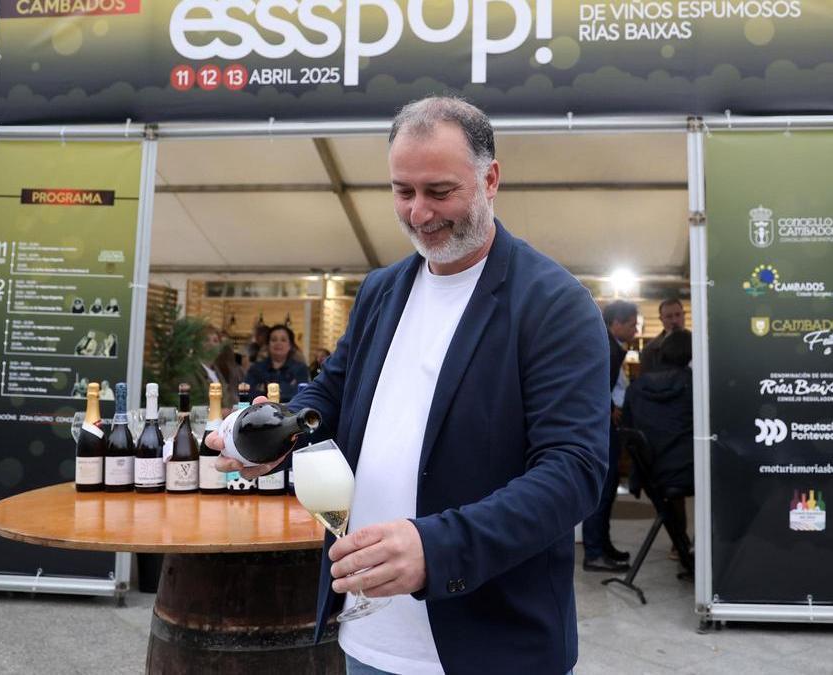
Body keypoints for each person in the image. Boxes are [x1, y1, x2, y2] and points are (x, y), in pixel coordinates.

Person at [209, 96, 609, 675]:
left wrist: (437, 547)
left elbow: (574, 472)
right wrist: (277, 436)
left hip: (493, 646)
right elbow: (331, 398)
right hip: (368, 638)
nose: (419, 213)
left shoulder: (553, 303)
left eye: (439, 192)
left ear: (490, 178)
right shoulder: (381, 290)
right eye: (403, 191)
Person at [622, 330, 694, 570]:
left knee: (674, 484)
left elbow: (627, 429)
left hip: (651, 472)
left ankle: (682, 546)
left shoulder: (636, 388)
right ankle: (708, 550)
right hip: (689, 470)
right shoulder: (694, 384)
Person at [582, 300, 639, 573]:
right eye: (632, 324)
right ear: (616, 323)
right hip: (600, 430)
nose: (635, 330)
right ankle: (594, 552)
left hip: (605, 425)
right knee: (602, 490)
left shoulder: (612, 344)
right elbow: (593, 384)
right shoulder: (608, 347)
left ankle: (603, 545)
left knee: (608, 488)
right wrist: (608, 409)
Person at [243, 323, 309, 401]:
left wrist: (265, 390)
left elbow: (301, 396)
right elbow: (247, 395)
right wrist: (286, 389)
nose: (278, 343)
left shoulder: (300, 369)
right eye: (274, 340)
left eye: (283, 340)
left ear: (290, 345)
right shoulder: (256, 369)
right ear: (268, 345)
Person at [639, 298, 690, 373]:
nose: (674, 321)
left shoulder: (698, 344)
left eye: (678, 315)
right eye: (669, 317)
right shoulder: (650, 350)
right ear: (661, 319)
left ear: (684, 315)